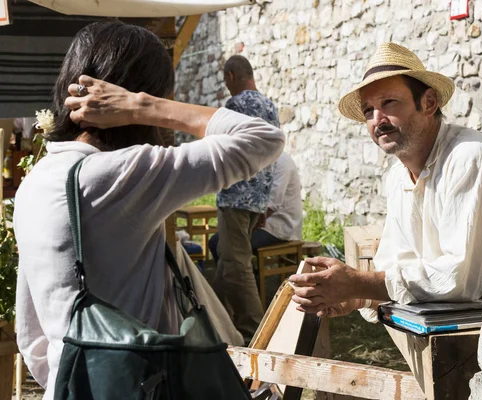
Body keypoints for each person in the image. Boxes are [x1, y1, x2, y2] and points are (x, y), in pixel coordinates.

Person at [14, 21, 284, 399]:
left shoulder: (34, 182)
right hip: (142, 386)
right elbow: (263, 137)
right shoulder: (122, 173)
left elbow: (31, 336)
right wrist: (144, 106)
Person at [289, 43, 482, 321]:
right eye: (368, 110)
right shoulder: (397, 176)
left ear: (429, 103)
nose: (377, 120)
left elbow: (461, 277)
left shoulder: (471, 157)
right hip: (450, 315)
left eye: (389, 103)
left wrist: (357, 283)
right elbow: (397, 262)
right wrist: (355, 297)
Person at [211, 55, 280, 343]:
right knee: (228, 262)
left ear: (230, 76)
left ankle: (256, 334)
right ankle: (212, 319)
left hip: (236, 196)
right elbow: (275, 154)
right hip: (257, 198)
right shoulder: (269, 105)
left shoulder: (234, 106)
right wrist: (264, 202)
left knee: (237, 266)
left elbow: (218, 150)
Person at [208, 150, 303, 260]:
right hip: (262, 222)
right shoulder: (264, 158)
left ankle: (246, 275)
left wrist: (250, 224)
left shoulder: (282, 162)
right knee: (216, 242)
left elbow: (272, 204)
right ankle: (236, 274)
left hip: (279, 227)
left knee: (232, 246)